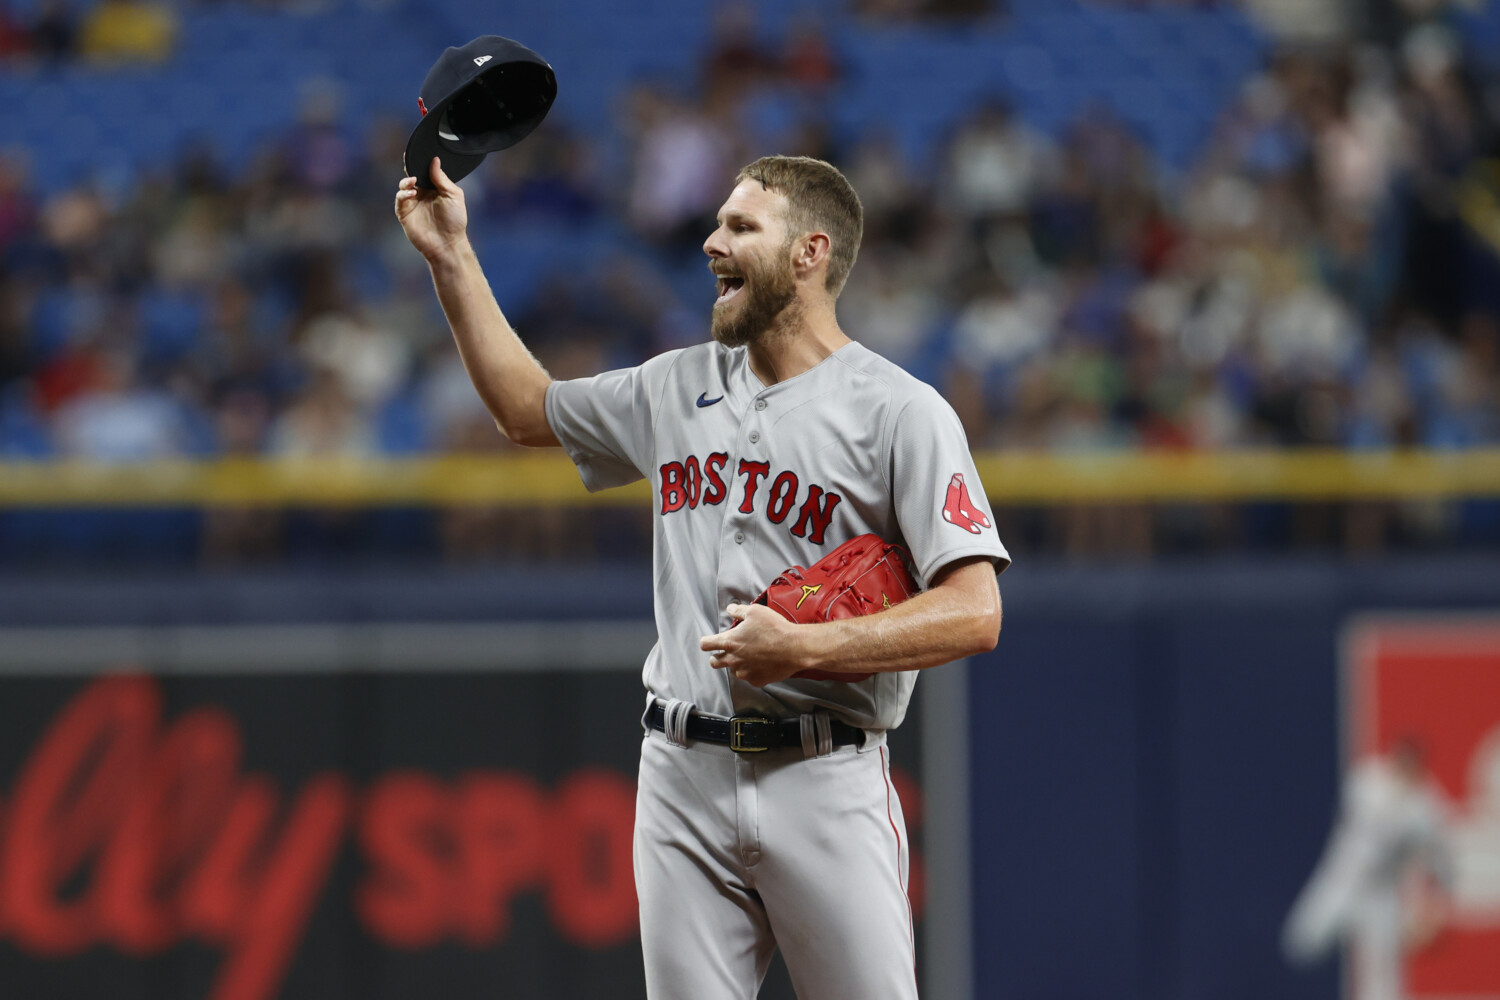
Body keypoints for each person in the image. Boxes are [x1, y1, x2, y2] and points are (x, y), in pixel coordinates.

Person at [395, 152, 1009, 999]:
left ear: (810, 252)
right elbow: (522, 407)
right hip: (680, 770)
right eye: (718, 222)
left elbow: (977, 612)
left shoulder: (901, 411)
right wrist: (450, 258)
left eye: (741, 226)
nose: (713, 241)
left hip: (823, 775)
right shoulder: (676, 385)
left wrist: (809, 646)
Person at [1283, 740, 1454, 1000]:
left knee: (1382, 982)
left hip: (1381, 896)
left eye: (1412, 765)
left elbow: (1441, 859)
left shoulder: (1428, 805)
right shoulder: (1368, 780)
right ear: (1394, 759)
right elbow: (1378, 826)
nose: (1405, 769)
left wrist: (1432, 906)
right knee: (1302, 942)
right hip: (1342, 881)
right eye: (1402, 762)